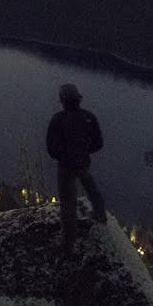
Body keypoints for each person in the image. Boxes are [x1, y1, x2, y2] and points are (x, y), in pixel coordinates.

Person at [45, 82, 106, 252]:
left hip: (65, 167)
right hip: (83, 162)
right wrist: (84, 153)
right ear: (78, 99)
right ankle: (101, 217)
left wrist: (64, 156)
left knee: (68, 204)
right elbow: (98, 144)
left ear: (62, 100)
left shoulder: (58, 119)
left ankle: (68, 243)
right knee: (92, 189)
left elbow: (51, 148)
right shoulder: (89, 117)